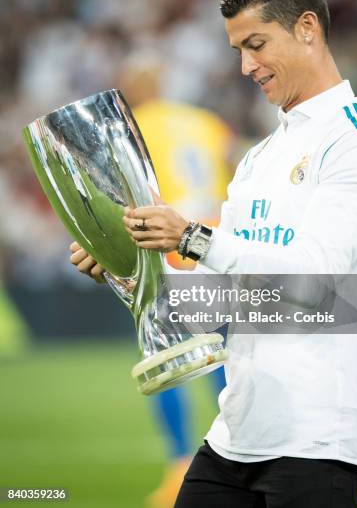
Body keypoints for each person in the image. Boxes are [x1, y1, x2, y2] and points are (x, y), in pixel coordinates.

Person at [70, 0, 357, 507]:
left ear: (306, 28)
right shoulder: (259, 157)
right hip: (236, 437)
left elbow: (313, 285)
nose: (247, 66)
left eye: (256, 44)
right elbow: (214, 307)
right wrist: (125, 269)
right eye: (238, 51)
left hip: (320, 442)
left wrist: (194, 237)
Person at [116, 53, 230, 507]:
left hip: (169, 244)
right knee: (220, 354)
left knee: (167, 357)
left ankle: (182, 465)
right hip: (214, 241)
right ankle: (240, 450)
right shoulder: (204, 121)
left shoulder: (136, 126)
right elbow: (235, 165)